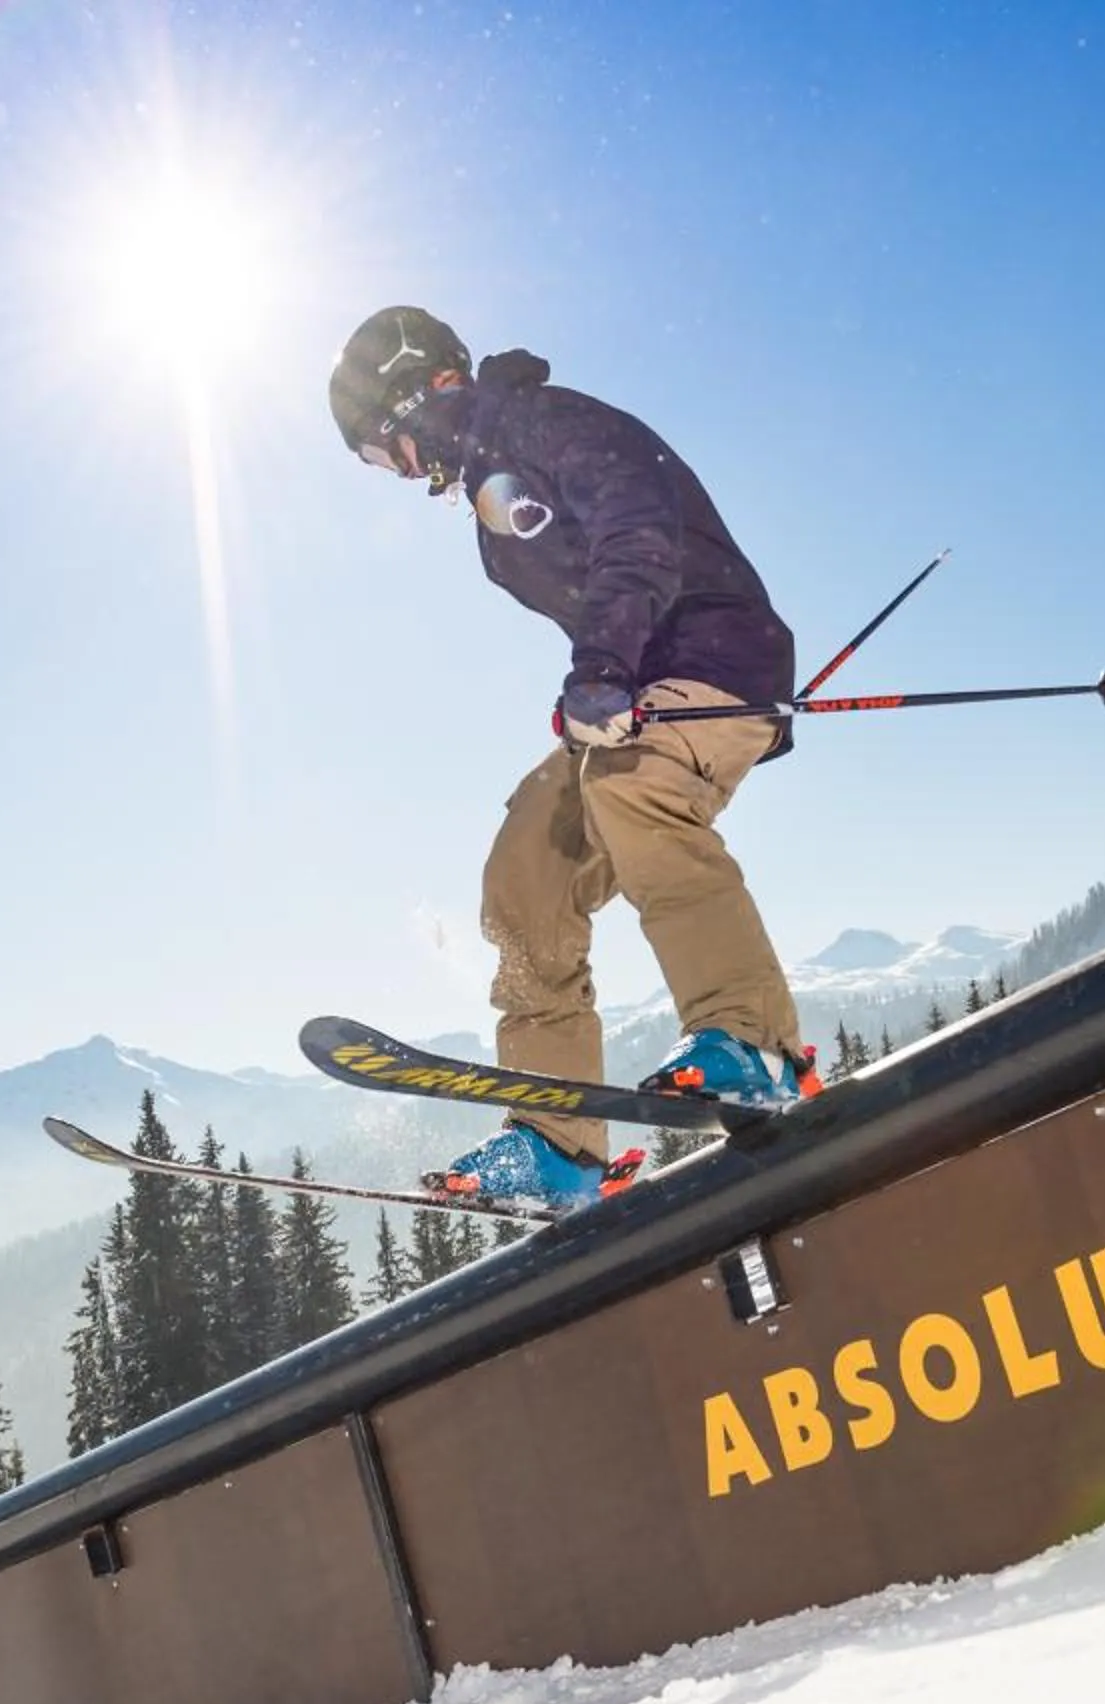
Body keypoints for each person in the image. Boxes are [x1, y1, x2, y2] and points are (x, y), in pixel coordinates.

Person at [329, 305, 816, 1212]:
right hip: (637, 689)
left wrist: (603, 664)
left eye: (380, 449)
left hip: (718, 662)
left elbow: (639, 525)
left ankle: (751, 1042)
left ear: (421, 395)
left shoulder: (545, 423)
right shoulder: (489, 492)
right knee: (528, 868)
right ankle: (559, 1145)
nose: (393, 473)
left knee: (634, 790)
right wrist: (602, 681)